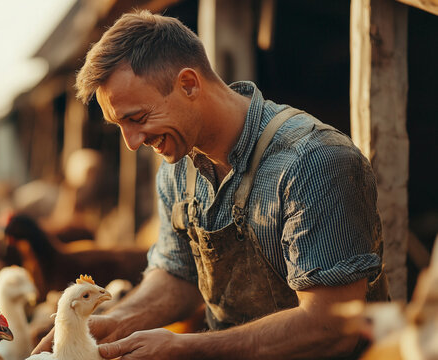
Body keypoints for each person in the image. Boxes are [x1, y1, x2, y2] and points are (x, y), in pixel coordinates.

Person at [33, 9, 388, 360]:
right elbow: (179, 275)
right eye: (119, 125)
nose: (132, 142)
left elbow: (331, 328)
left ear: (188, 84)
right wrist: (110, 323)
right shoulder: (176, 168)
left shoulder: (312, 161)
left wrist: (185, 348)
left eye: (137, 118)